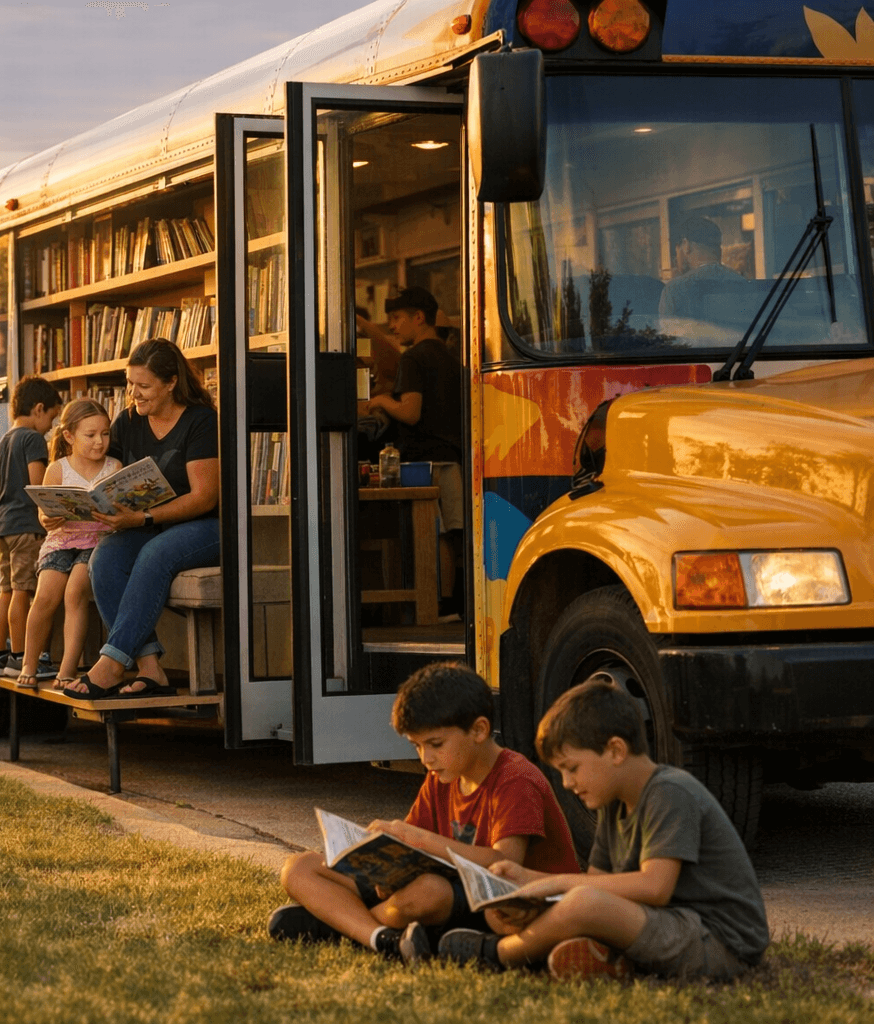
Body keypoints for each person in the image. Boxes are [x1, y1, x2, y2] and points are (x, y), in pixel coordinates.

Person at [436, 674, 770, 981]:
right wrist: (524, 880)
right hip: (668, 924)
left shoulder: (669, 792)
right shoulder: (614, 803)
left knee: (584, 904)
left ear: (615, 750)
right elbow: (598, 881)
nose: (567, 783)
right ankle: (592, 956)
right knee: (508, 910)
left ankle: (498, 954)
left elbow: (655, 887)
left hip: (720, 943)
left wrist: (557, 884)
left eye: (572, 768)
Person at [270, 662, 580, 962]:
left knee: (429, 892)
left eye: (435, 744)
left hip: (506, 903)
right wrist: (386, 870)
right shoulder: (443, 775)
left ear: (478, 730)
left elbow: (504, 863)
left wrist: (417, 838)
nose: (425, 758)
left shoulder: (515, 778)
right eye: (417, 746)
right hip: (445, 893)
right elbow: (408, 851)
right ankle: (382, 937)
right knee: (299, 867)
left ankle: (337, 923)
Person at [65, 338, 220, 699]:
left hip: (208, 527)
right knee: (104, 558)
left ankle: (111, 664)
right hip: (147, 524)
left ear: (171, 383)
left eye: (143, 386)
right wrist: (70, 504)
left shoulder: (200, 421)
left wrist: (144, 518)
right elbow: (105, 474)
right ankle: (150, 669)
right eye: (130, 383)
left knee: (155, 553)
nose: (133, 393)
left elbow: (205, 497)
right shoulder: (128, 421)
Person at [361, 287, 464, 620]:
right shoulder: (452, 358)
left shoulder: (413, 358)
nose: (392, 326)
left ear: (419, 318)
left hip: (424, 461)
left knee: (430, 534)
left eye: (396, 318)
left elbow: (410, 411)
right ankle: (450, 604)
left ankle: (431, 607)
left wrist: (381, 400)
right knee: (451, 533)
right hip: (452, 458)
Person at [18, 398, 121, 691]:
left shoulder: (114, 467)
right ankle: (28, 663)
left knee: (75, 593)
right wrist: (47, 518)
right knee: (45, 596)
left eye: (105, 434)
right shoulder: (57, 469)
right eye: (91, 435)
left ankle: (67, 669)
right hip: (61, 541)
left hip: (98, 542)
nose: (100, 442)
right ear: (69, 436)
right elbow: (43, 512)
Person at [0, 376, 62, 678]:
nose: (50, 428)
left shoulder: (5, 440)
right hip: (26, 526)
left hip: (3, 525)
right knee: (22, 591)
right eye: (51, 419)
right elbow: (37, 485)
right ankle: (19, 656)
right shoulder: (32, 439)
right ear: (38, 409)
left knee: (5, 591)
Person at [658, 214, 751, 344]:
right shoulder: (743, 284)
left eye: (676, 250)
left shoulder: (674, 290)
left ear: (686, 245)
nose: (676, 257)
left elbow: (668, 344)